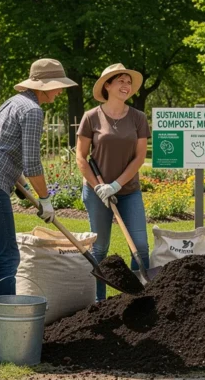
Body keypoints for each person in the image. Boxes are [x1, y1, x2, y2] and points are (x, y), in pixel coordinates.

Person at [0, 58, 77, 341]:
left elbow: (1, 147)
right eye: (58, 86)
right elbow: (32, 162)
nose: (60, 91)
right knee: (9, 257)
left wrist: (22, 184)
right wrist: (45, 198)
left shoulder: (13, 102)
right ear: (44, 85)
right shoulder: (33, 110)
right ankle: (5, 330)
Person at [76, 63, 150, 301]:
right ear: (107, 85)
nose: (126, 85)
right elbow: (81, 157)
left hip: (129, 191)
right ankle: (99, 302)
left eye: (129, 82)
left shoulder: (138, 118)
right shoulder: (91, 117)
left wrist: (116, 185)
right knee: (100, 248)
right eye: (121, 81)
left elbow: (139, 157)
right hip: (96, 193)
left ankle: (139, 298)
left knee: (140, 246)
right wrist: (98, 187)